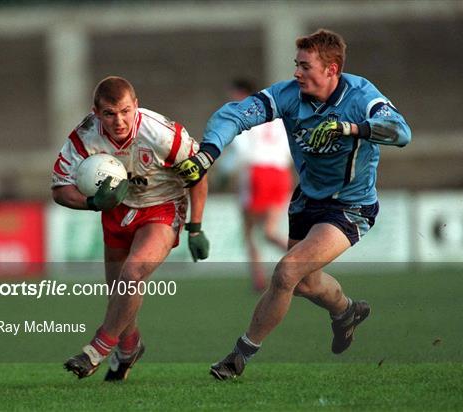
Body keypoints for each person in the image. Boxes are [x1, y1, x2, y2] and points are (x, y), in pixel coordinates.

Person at [174, 29, 411, 379]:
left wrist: (351, 128)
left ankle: (237, 358)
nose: (296, 73)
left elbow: (401, 131)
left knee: (286, 272)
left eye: (305, 66)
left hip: (350, 207)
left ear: (332, 70)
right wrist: (209, 153)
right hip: (307, 200)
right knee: (304, 283)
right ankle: (346, 311)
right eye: (295, 65)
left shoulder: (361, 96)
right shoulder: (288, 94)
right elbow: (234, 115)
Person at [52, 76, 209, 381]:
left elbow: (198, 175)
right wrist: (94, 203)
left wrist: (196, 227)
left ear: (135, 105)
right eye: (110, 114)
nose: (119, 120)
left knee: (133, 273)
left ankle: (96, 350)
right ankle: (129, 345)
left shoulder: (162, 133)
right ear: (96, 113)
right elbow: (59, 190)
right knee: (119, 294)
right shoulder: (83, 138)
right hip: (116, 210)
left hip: (163, 205)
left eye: (125, 111)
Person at [218, 79, 294, 291]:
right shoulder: (276, 116)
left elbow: (241, 152)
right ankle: (306, 261)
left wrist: (223, 174)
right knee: (269, 230)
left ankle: (258, 280)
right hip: (280, 174)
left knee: (250, 231)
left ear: (242, 94)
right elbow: (289, 150)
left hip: (257, 174)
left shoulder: (242, 114)